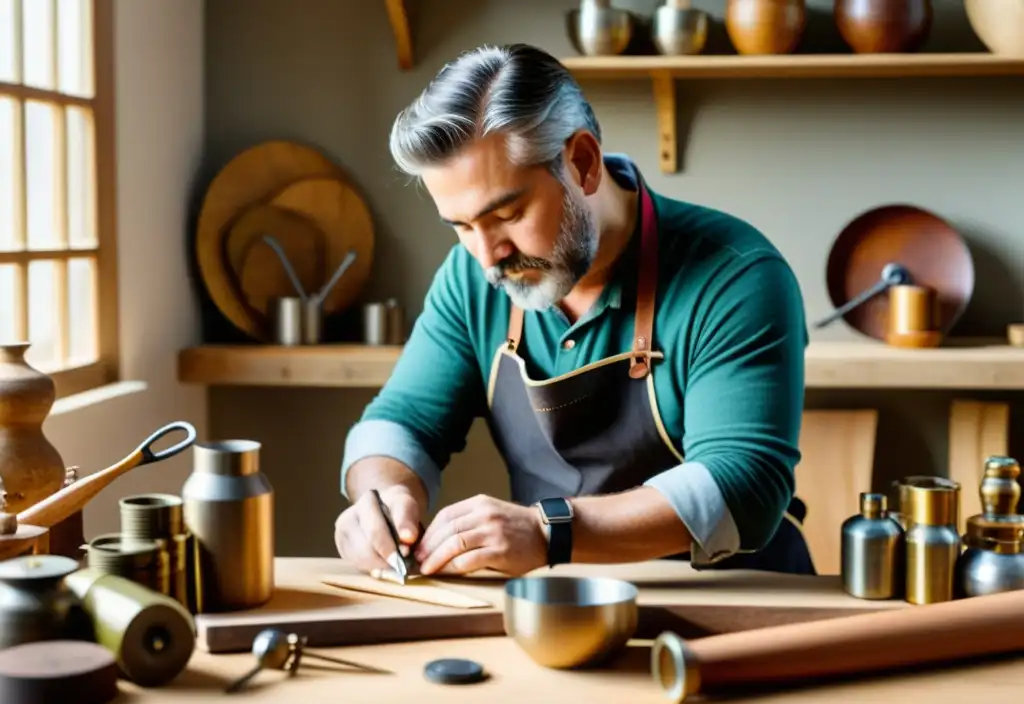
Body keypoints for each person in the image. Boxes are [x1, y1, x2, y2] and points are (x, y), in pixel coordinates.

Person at [333, 43, 812, 579]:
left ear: (582, 162)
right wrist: (381, 495)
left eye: (508, 214)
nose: (488, 255)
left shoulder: (735, 274)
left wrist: (547, 531)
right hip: (558, 608)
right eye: (462, 227)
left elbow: (742, 484)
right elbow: (402, 423)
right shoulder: (472, 277)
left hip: (733, 605)